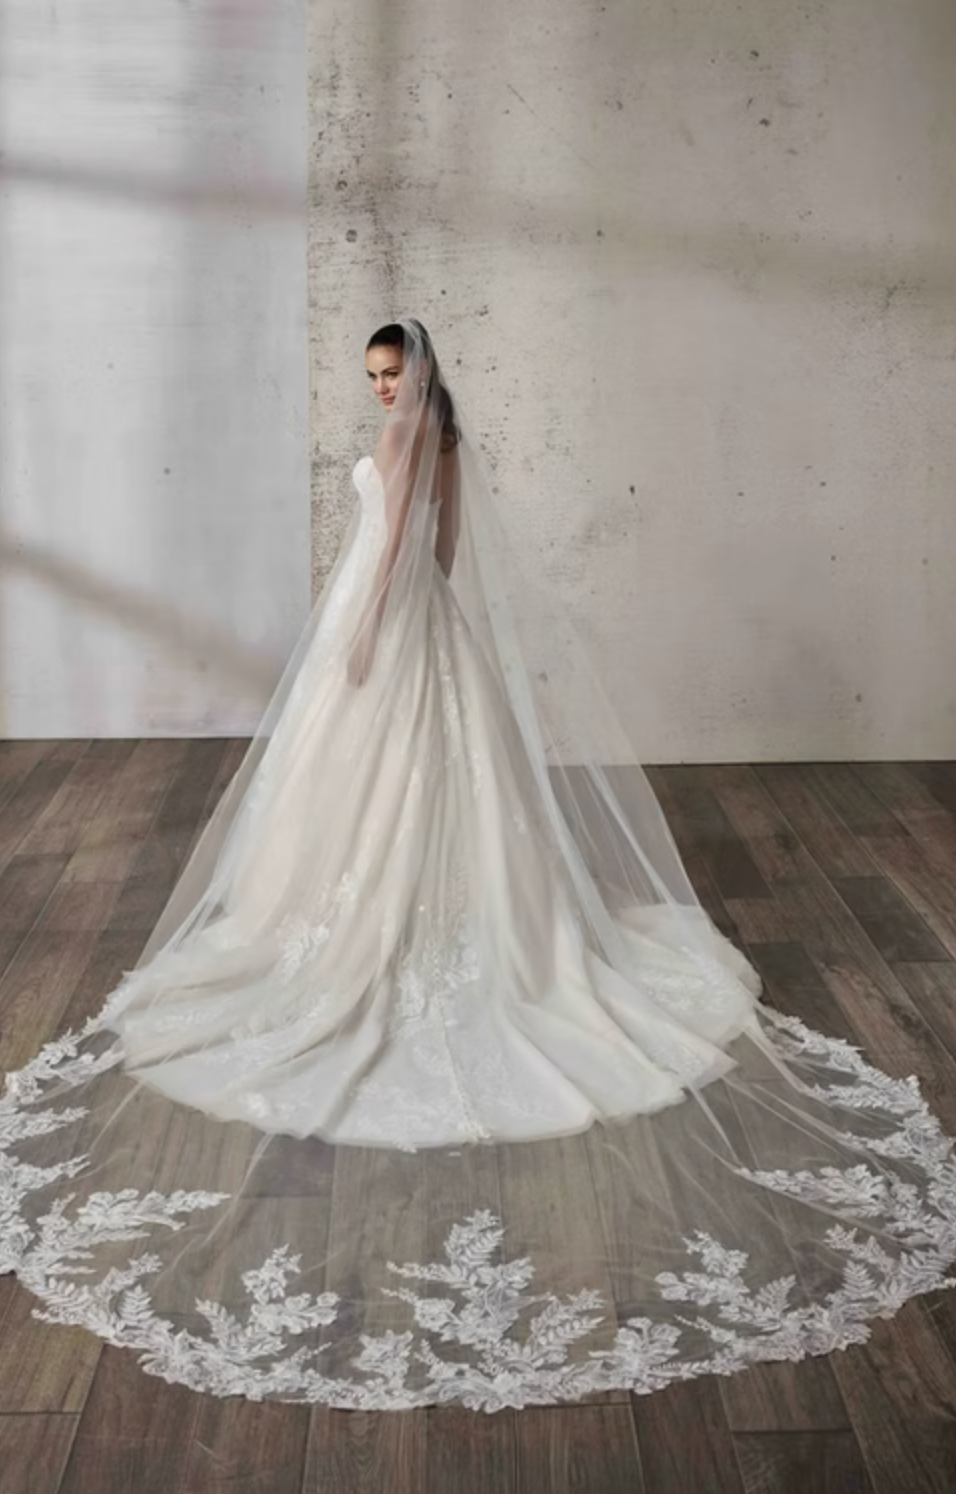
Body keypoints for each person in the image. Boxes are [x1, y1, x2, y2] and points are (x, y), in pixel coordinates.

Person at [1, 318, 954, 1411]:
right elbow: (442, 557)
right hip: (428, 630)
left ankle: (387, 934)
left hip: (386, 629)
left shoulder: (413, 449)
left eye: (390, 376)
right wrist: (404, 615)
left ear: (421, 375)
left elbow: (401, 536)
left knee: (372, 801)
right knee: (437, 794)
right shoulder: (452, 442)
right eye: (370, 380)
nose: (379, 395)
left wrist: (362, 636)